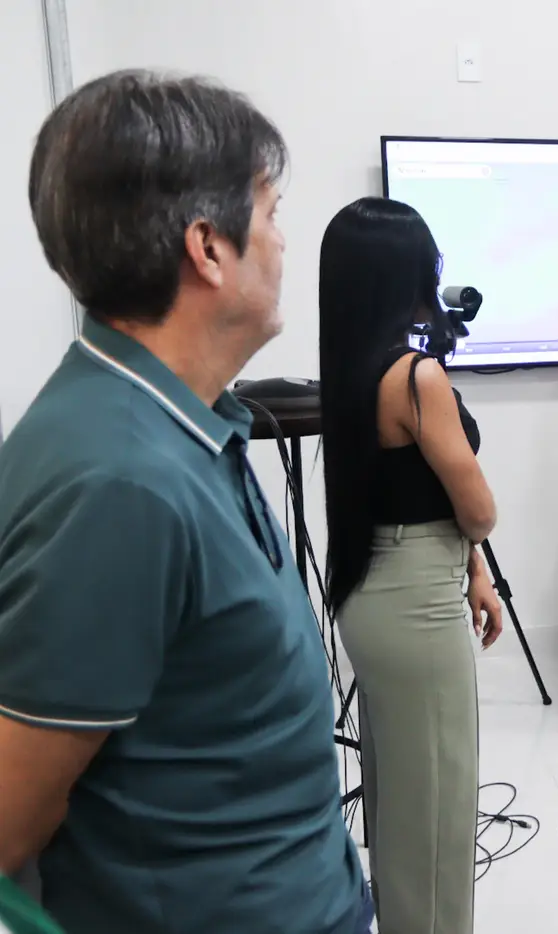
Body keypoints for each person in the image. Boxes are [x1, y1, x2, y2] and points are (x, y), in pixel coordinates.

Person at [0, 71, 368, 932]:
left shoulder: (180, 422)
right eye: (270, 213)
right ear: (208, 247)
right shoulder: (119, 482)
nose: (282, 241)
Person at [319, 197, 503, 934]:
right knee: (437, 815)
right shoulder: (415, 377)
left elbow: (413, 494)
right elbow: (478, 509)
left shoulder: (350, 369)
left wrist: (474, 569)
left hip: (378, 589)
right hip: (417, 605)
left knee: (400, 801)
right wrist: (474, 546)